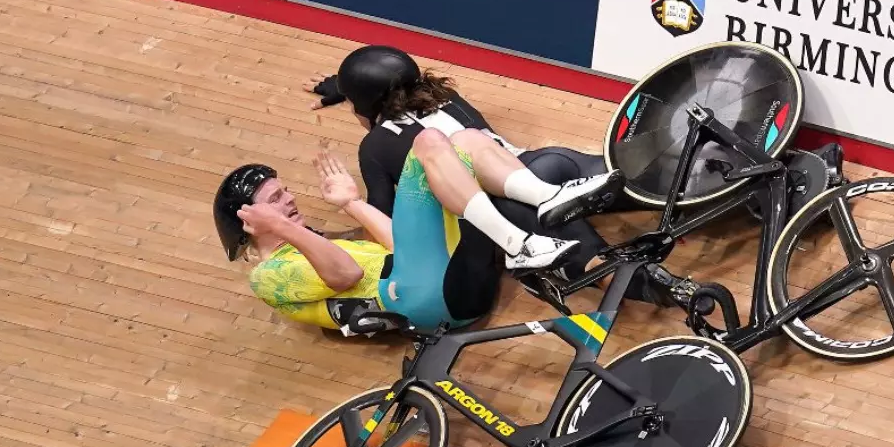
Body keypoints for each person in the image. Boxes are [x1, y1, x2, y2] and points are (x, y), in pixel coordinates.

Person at [215, 142, 611, 331]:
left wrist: (352, 203)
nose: (290, 199)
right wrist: (284, 228)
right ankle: (520, 243)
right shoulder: (268, 275)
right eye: (275, 200)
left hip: (441, 284)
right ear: (250, 224)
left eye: (285, 191)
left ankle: (551, 199)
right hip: (422, 303)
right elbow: (346, 276)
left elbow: (399, 244)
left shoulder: (311, 241)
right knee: (428, 146)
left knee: (465, 146)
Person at [308, 44, 625, 269]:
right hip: (542, 161)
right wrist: (347, 85)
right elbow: (392, 79)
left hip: (510, 206)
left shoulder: (375, 146)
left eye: (352, 102)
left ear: (364, 102)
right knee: (638, 180)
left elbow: (381, 225)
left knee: (600, 266)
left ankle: (657, 287)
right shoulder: (443, 94)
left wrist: (340, 230)